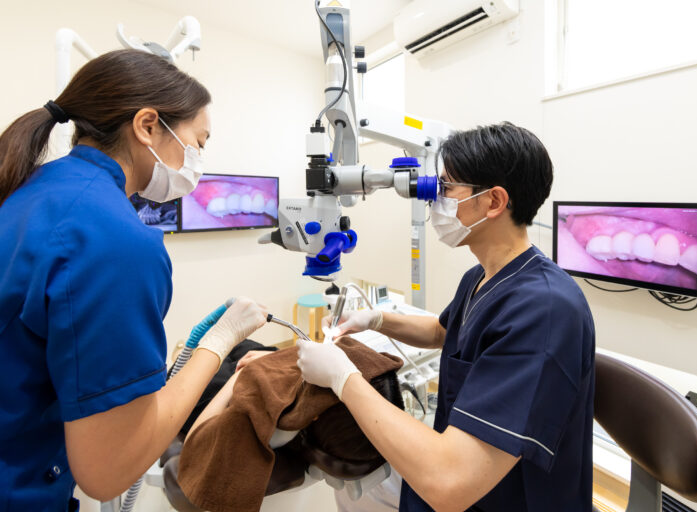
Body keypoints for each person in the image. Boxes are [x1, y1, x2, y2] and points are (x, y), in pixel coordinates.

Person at [0, 49, 267, 511]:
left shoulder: (32, 189)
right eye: (198, 142)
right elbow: (108, 471)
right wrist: (219, 341)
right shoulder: (116, 240)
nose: (198, 159)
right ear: (147, 126)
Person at [298, 122, 596, 511]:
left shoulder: (544, 310)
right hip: (459, 467)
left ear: (493, 202)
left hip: (503, 497)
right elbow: (444, 332)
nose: (432, 201)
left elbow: (449, 483)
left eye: (445, 189)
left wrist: (342, 378)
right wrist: (375, 320)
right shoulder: (482, 275)